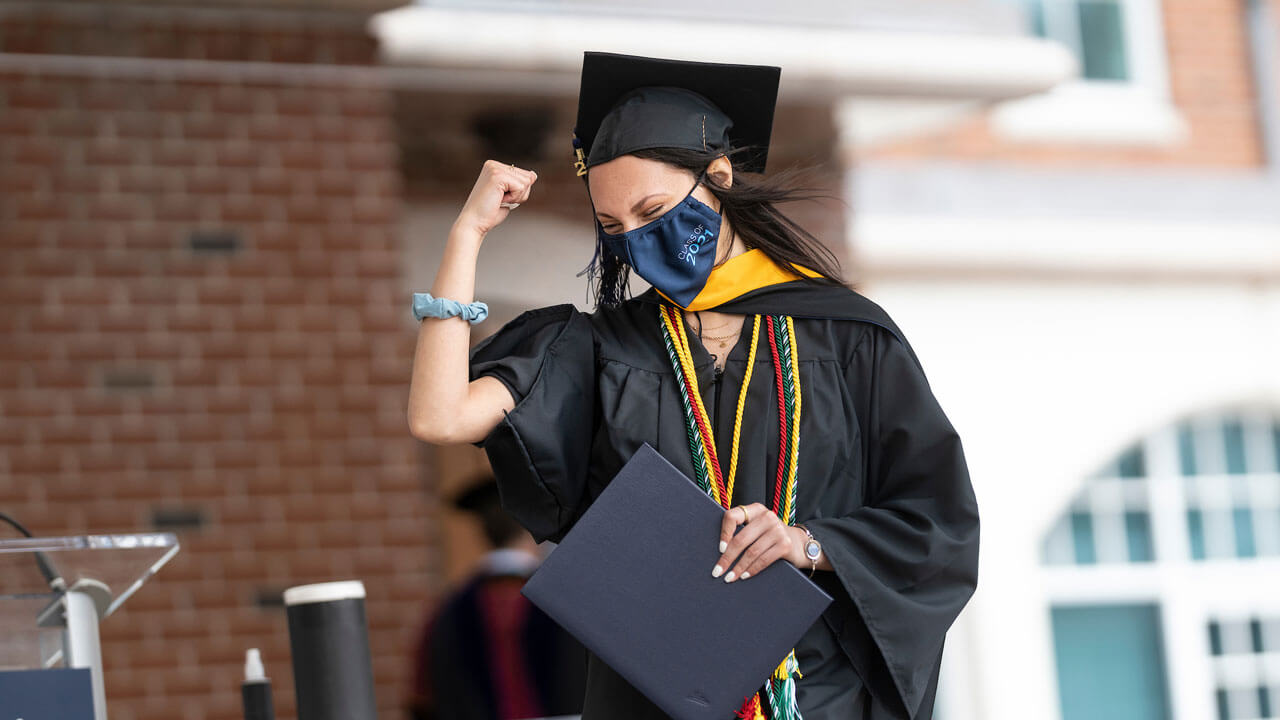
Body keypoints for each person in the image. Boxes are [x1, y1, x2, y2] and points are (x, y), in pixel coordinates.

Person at [408, 51, 981, 720]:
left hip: (817, 693)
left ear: (718, 176)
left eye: (655, 210)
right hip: (660, 694)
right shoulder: (599, 349)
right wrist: (466, 234)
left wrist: (808, 544)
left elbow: (937, 524)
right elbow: (440, 417)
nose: (641, 242)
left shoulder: (848, 337)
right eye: (616, 229)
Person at [406, 473, 587, 720]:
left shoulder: (445, 615)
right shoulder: (574, 608)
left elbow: (422, 701)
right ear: (532, 530)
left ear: (484, 532)